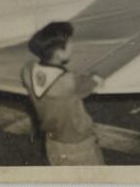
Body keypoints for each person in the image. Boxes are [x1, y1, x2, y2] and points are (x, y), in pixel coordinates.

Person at [20, 21, 104, 166]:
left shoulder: (27, 71)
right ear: (59, 53)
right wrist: (95, 76)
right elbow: (92, 81)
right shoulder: (68, 82)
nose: (73, 45)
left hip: (52, 143)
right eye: (70, 42)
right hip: (79, 145)